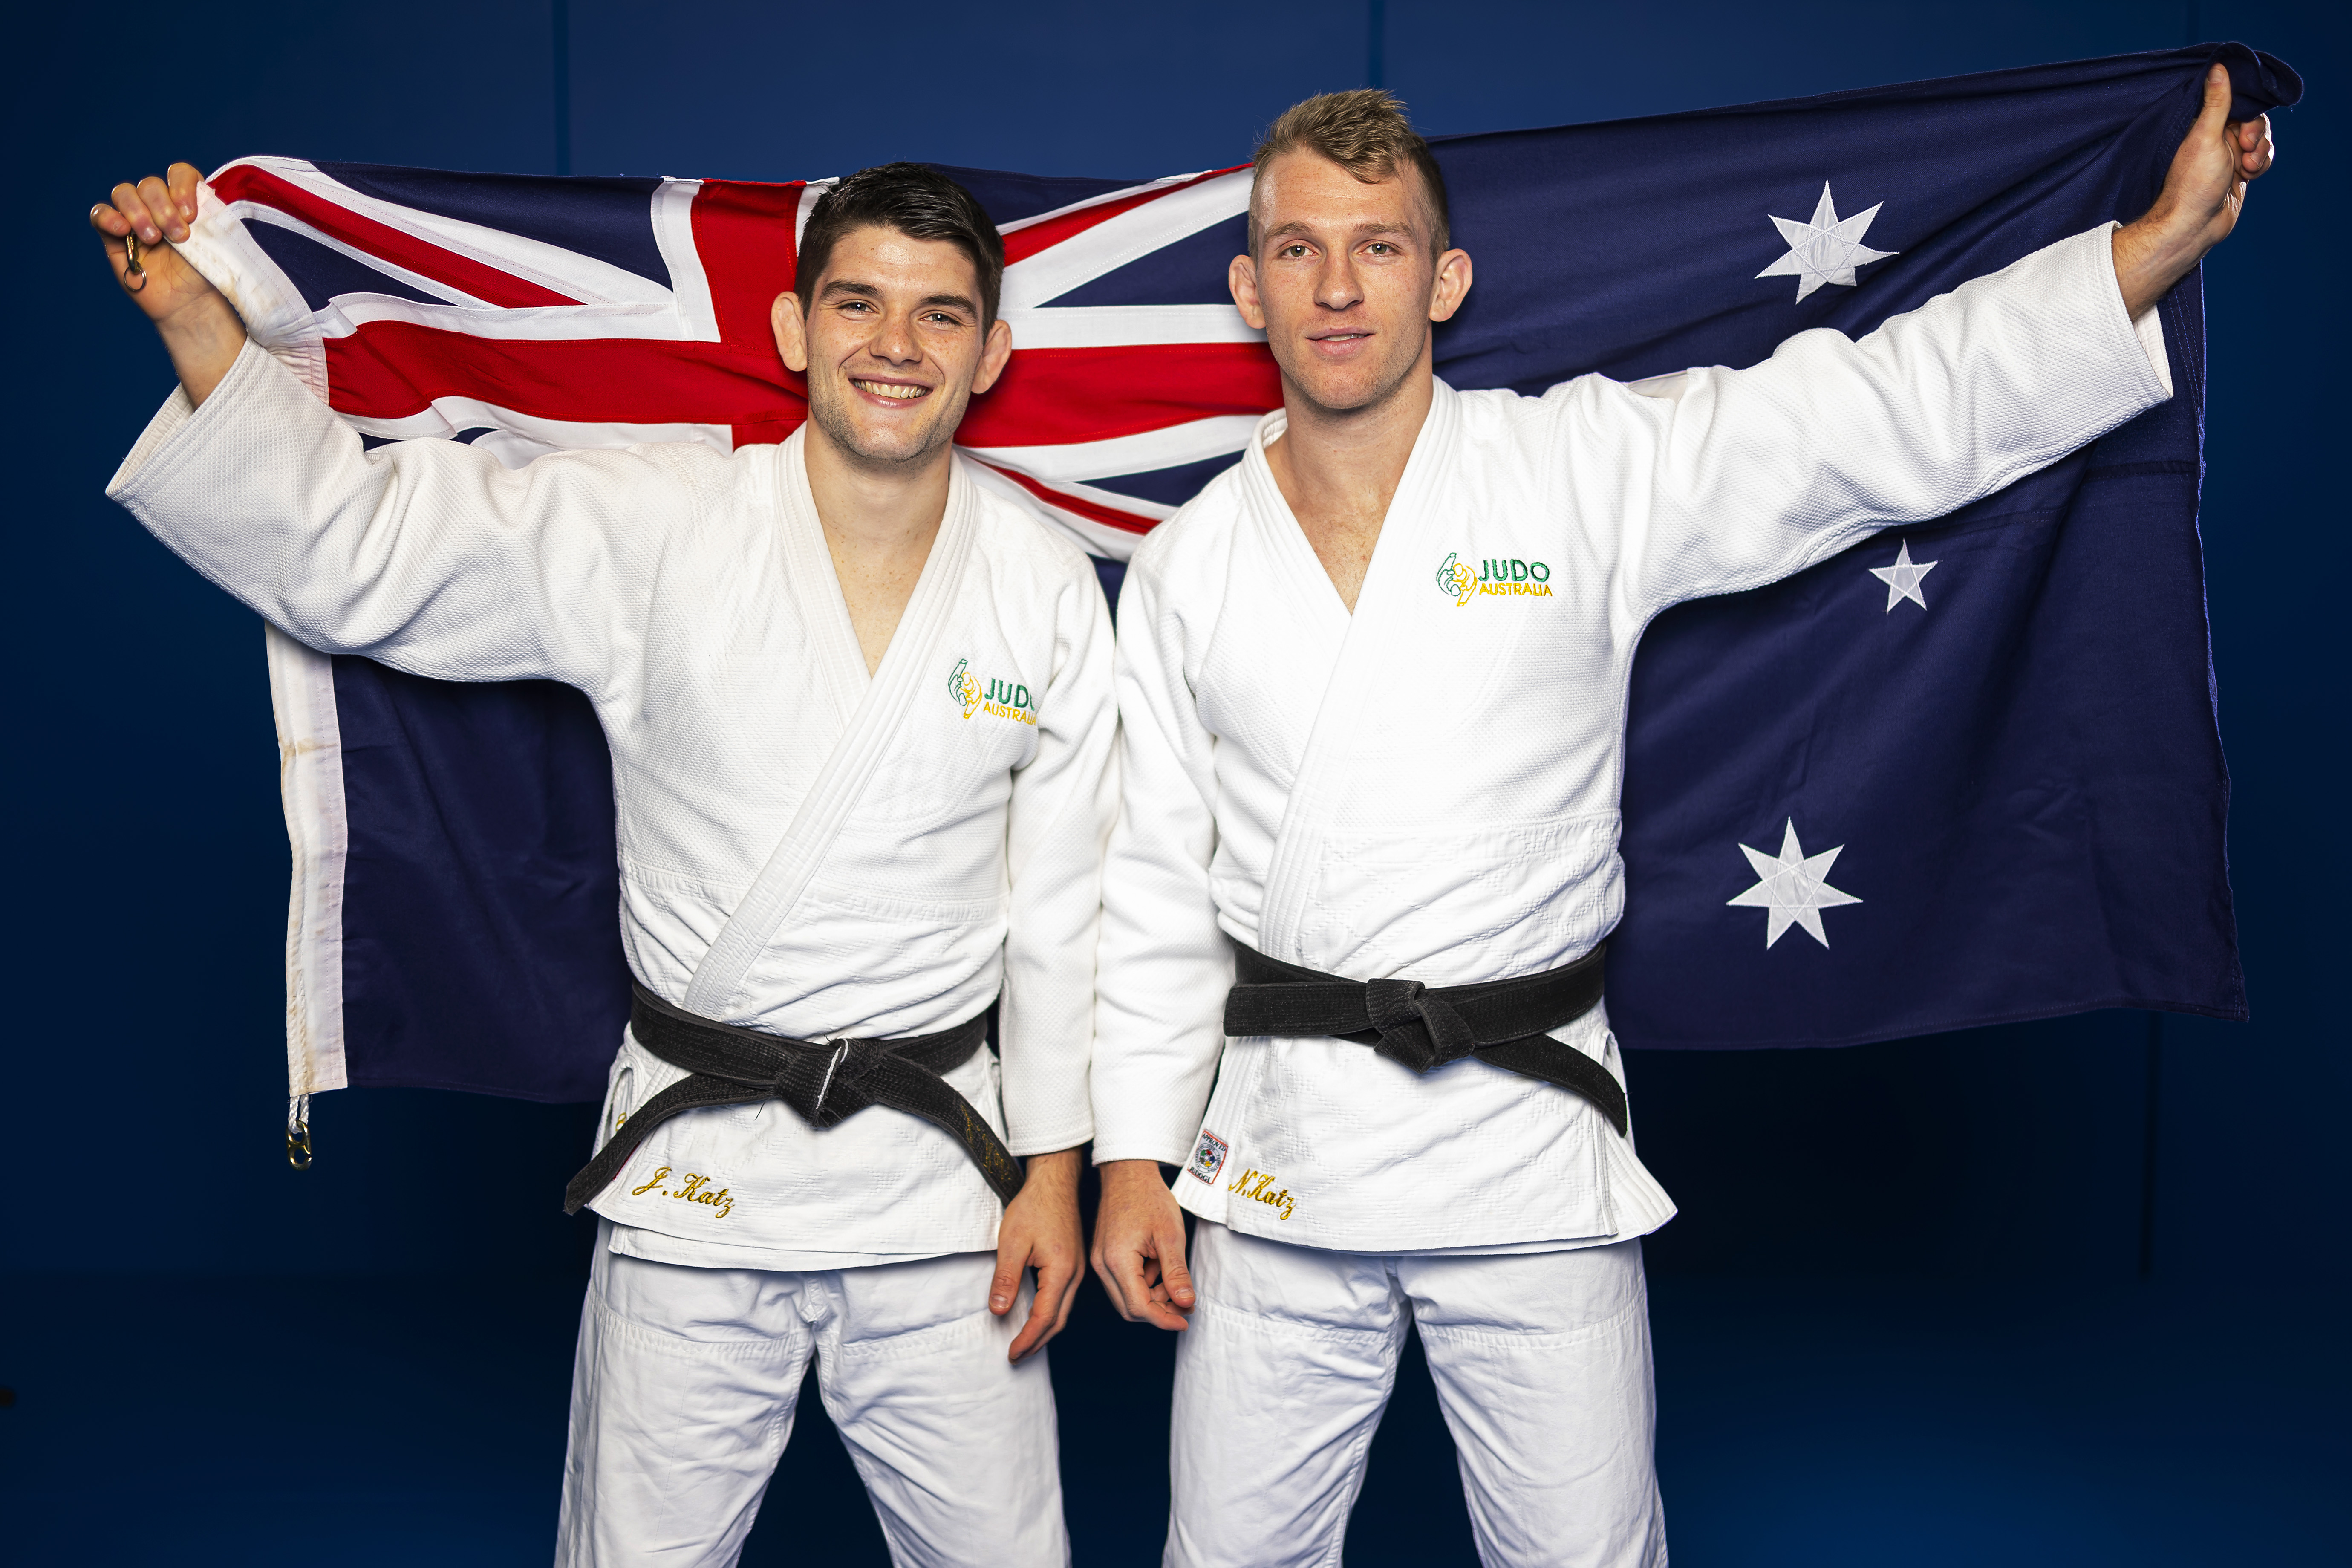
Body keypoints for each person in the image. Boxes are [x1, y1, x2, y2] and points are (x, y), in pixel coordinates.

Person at [1089, 70, 2274, 1568]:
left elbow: (1865, 412)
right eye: (1303, 248)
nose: (1339, 286)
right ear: (1248, 284)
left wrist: (2142, 258)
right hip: (1273, 1158)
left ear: (1443, 279)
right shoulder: (1192, 563)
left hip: (1526, 1143)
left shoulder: (1578, 468)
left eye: (1380, 246)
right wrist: (1133, 1154)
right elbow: (1147, 887)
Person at [95, 161, 1113, 1568]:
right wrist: (202, 334)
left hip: (942, 1185)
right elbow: (365, 550)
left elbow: (1064, 915)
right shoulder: (661, 523)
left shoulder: (1042, 581)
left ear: (990, 351)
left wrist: (1054, 1173)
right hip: (697, 1174)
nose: (896, 344)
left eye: (941, 316)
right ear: (791, 328)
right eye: (858, 302)